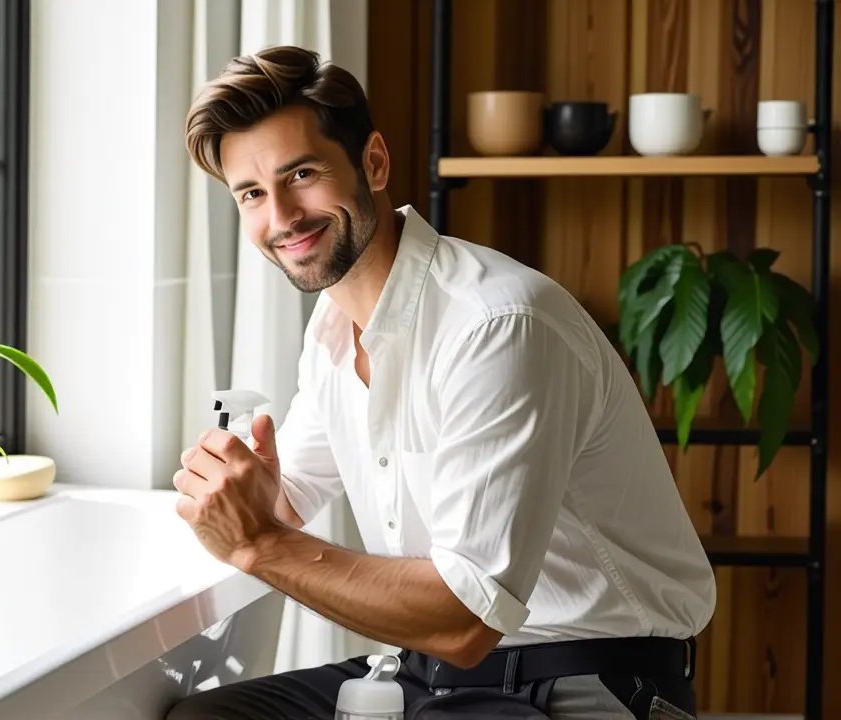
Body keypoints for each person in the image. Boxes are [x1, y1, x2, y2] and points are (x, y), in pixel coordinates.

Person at [167, 45, 717, 720]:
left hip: (583, 674)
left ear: (373, 163)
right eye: (251, 194)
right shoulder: (333, 329)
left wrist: (258, 540)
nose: (281, 216)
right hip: (425, 671)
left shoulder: (497, 325)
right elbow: (280, 506)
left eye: (301, 174)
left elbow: (464, 618)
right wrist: (238, 498)